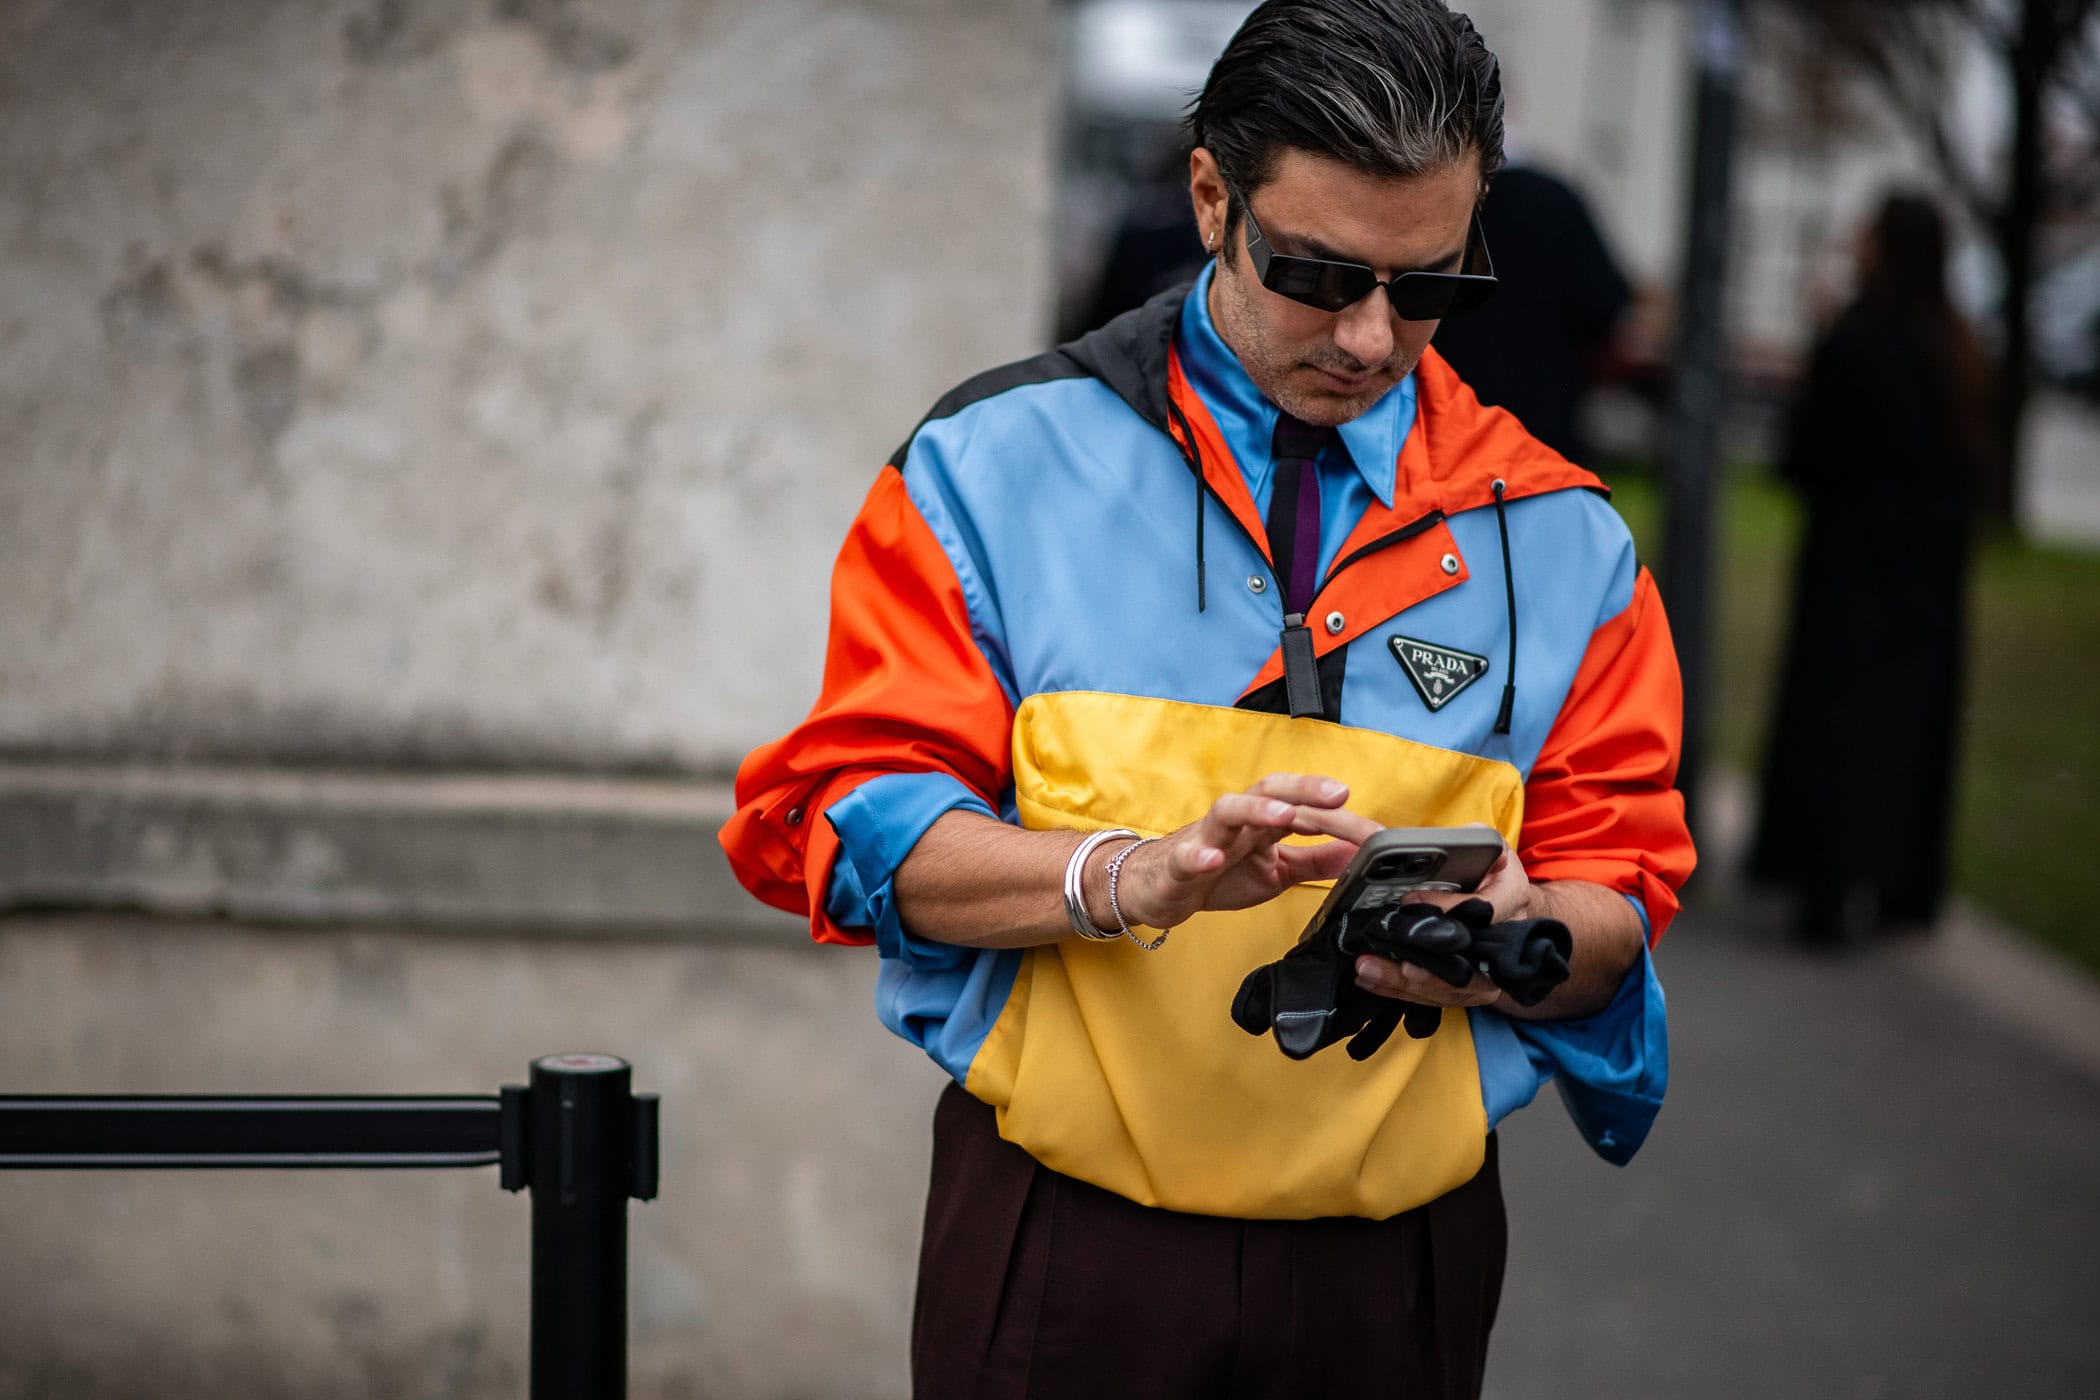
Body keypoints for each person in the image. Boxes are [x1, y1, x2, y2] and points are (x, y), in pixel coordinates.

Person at [721, 2, 1695, 1394]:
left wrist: (1527, 927)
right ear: (1206, 200)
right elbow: (865, 821)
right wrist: (1128, 878)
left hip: (1397, 1269)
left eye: (1428, 288)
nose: (1370, 338)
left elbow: (1623, 891)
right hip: (1067, 1249)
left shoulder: (1565, 538)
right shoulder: (990, 465)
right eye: (1318, 273)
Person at [1749, 192, 1993, 947]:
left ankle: (1827, 893)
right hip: (1928, 574)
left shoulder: (1858, 340)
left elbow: (1806, 454)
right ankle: (1902, 888)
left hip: (1852, 569)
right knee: (1912, 728)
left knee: (1840, 727)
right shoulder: (1958, 348)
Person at [1430, 160, 1632, 464]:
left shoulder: (1431, 198)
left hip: (1444, 415)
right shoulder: (1555, 200)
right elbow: (1605, 304)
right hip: (1541, 424)